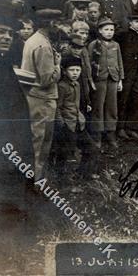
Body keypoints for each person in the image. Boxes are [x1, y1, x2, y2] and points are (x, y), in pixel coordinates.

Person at [0, 10, 36, 272]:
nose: (6, 37)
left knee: (12, 197)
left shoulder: (1, 59)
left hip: (13, 144)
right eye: (0, 31)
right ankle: (1, 260)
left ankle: (11, 253)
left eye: (10, 33)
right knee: (0, 201)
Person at [21, 9, 63, 176]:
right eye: (57, 23)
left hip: (32, 96)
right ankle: (36, 182)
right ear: (50, 23)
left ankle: (32, 180)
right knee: (40, 143)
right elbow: (47, 79)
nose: (59, 27)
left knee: (35, 140)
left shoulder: (33, 40)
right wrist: (58, 65)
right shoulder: (43, 45)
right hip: (43, 99)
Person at [52, 56, 100, 186]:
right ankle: (63, 181)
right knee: (66, 154)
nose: (75, 73)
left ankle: (84, 173)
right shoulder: (61, 86)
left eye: (77, 70)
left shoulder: (77, 85)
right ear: (64, 71)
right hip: (67, 125)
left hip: (78, 123)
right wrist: (61, 124)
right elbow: (57, 107)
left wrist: (80, 117)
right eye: (71, 70)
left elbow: (76, 105)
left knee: (91, 148)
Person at [89, 17, 124, 149]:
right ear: (100, 30)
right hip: (99, 80)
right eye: (106, 30)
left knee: (112, 107)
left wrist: (120, 79)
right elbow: (89, 64)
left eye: (112, 30)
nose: (109, 32)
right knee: (98, 106)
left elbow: (119, 62)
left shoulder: (116, 45)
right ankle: (97, 136)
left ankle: (110, 134)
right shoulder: (94, 44)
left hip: (113, 79)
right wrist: (91, 80)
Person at [115, 12, 138, 140]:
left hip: (137, 75)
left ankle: (132, 128)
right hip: (125, 74)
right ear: (130, 23)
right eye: (136, 22)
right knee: (123, 101)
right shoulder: (122, 35)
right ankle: (120, 129)